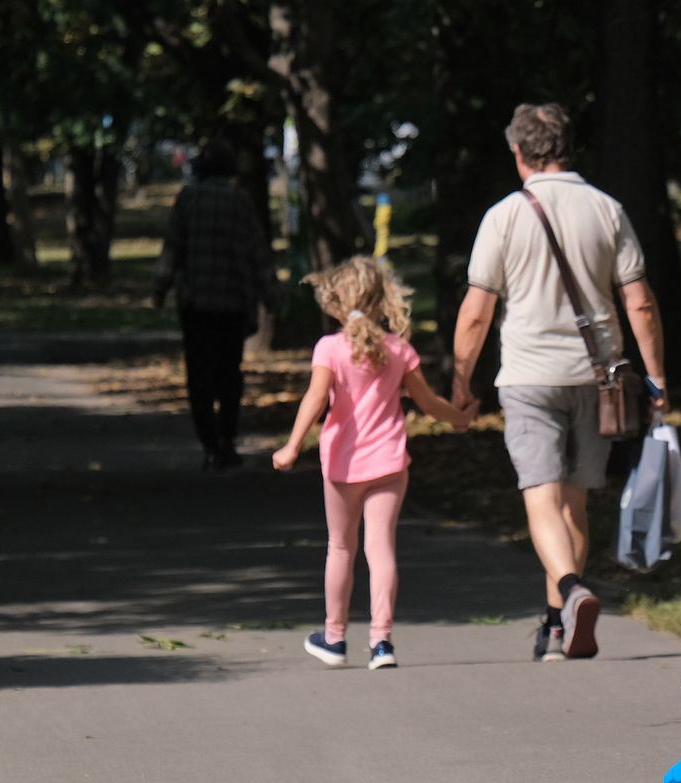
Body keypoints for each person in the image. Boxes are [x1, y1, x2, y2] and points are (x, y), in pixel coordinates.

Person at [450, 102, 669, 663]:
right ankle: (554, 627)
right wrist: (657, 377)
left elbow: (476, 313)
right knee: (574, 502)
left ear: (518, 152)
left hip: (528, 375)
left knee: (540, 495)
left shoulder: (504, 216)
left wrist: (460, 380)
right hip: (599, 378)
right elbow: (639, 302)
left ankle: (570, 592)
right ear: (568, 148)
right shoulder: (606, 209)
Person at [272, 257, 474, 670]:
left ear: (336, 301)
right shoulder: (399, 350)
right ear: (383, 298)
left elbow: (315, 399)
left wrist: (292, 446)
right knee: (381, 548)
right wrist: (461, 418)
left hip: (343, 465)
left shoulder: (330, 348)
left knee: (341, 547)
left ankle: (334, 637)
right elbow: (428, 402)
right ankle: (382, 644)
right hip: (389, 464)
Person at [153, 140, 277, 472]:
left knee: (199, 374)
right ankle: (227, 439)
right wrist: (269, 295)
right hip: (233, 303)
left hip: (196, 303)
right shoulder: (241, 203)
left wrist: (160, 288)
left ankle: (208, 442)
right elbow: (257, 252)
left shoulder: (187, 200)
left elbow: (172, 249)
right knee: (229, 373)